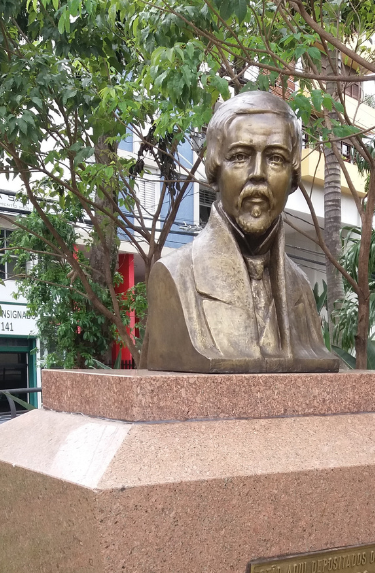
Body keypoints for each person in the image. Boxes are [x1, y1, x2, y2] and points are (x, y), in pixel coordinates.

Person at [142, 90, 339, 372]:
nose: (258, 173)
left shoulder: (302, 289)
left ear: (292, 176)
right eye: (240, 156)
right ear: (215, 170)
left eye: (275, 158)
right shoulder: (175, 276)